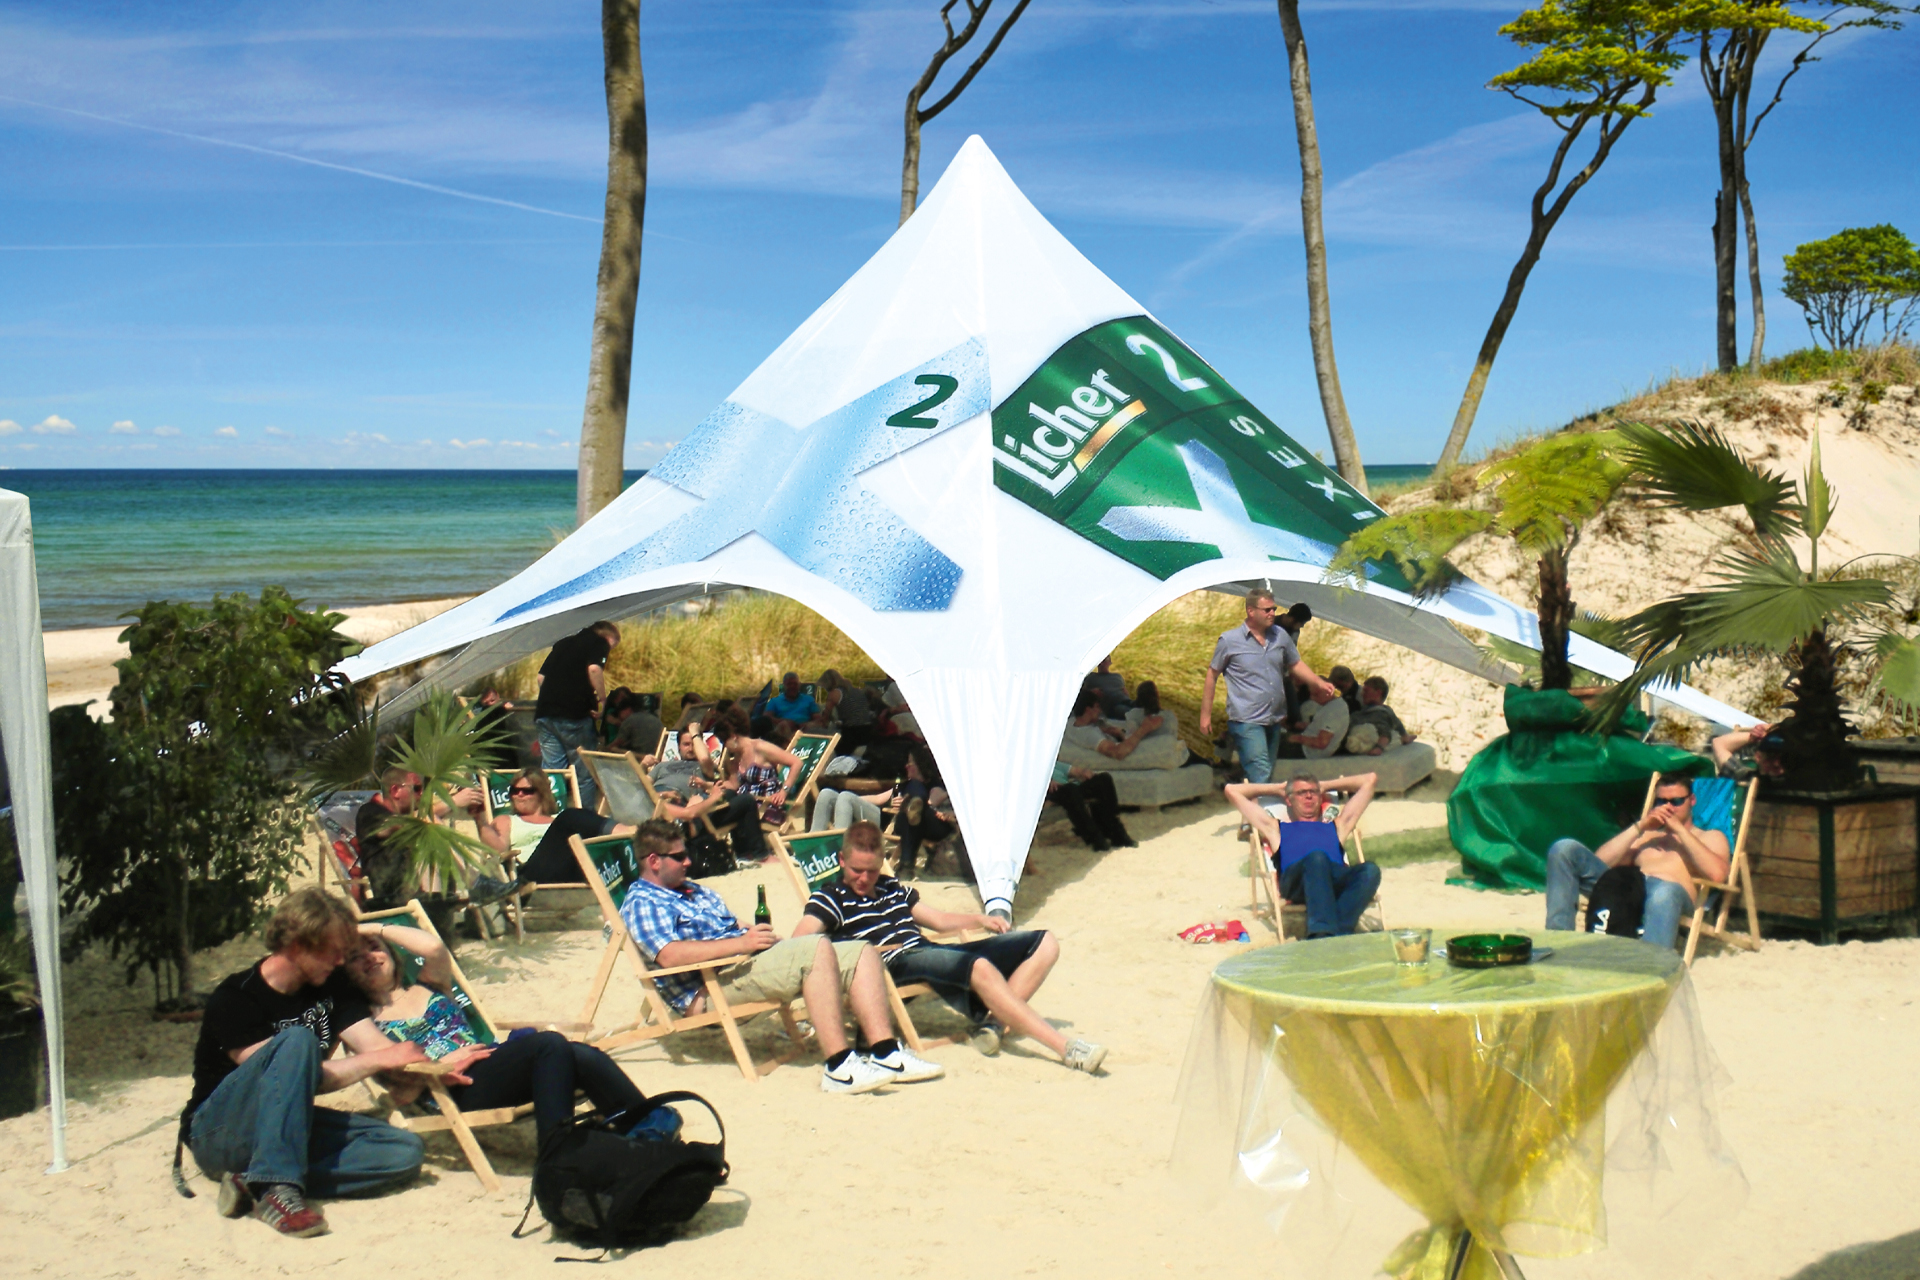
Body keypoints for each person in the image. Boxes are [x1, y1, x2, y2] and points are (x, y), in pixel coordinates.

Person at [618, 820, 943, 1093]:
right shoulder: (644, 903)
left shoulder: (694, 890)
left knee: (862, 951)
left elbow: (733, 926)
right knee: (815, 948)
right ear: (654, 860)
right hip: (708, 990)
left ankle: (884, 1052)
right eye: (678, 856)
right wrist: (742, 945)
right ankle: (839, 1068)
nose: (688, 861)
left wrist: (758, 938)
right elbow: (670, 956)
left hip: (744, 966)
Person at [182, 888, 427, 1237]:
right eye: (333, 951)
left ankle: (254, 1183)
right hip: (220, 1130)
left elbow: (375, 1046)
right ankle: (278, 1190)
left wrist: (427, 1063)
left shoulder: (332, 985)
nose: (341, 961)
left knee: (403, 1151)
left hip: (285, 1127)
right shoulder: (235, 998)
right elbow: (293, 1079)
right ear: (298, 946)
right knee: (298, 1041)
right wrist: (382, 1059)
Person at [796, 822, 1108, 1072]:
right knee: (979, 967)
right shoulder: (831, 898)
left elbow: (939, 920)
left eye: (872, 870)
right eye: (856, 870)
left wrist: (978, 919)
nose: (864, 878)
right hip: (893, 963)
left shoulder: (893, 889)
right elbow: (803, 940)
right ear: (841, 861)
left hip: (927, 952)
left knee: (1045, 943)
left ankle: (993, 1026)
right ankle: (1065, 1048)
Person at [344, 918, 659, 1145]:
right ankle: (561, 1150)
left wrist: (370, 927)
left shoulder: (429, 984)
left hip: (492, 1065)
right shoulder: (365, 1024)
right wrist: (444, 1064)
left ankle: (650, 1132)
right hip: (455, 1090)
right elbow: (401, 1088)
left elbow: (434, 947)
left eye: (373, 948)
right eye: (355, 958)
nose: (369, 958)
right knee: (550, 1045)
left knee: (581, 1054)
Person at [1544, 772, 1729, 950]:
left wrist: (1680, 831)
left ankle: (1650, 966)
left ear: (1692, 801)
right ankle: (1559, 939)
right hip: (1629, 889)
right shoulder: (1647, 835)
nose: (1669, 807)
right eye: (1662, 802)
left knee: (1663, 893)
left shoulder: (1709, 837)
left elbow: (1718, 875)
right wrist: (1639, 827)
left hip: (1670, 895)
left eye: (1677, 801)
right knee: (1564, 848)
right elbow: (1601, 862)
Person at [1202, 589, 1340, 785]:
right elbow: (1214, 672)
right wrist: (1205, 714)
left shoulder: (1285, 635)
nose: (1271, 613)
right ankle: (1258, 803)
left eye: (1273, 609)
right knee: (1260, 763)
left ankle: (1244, 788)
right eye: (1267, 610)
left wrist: (1316, 682)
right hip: (1251, 703)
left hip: (1277, 699)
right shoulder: (1241, 636)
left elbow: (1294, 662)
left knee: (1270, 756)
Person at [1226, 772, 1381, 939]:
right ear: (1288, 800)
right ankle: (1320, 932)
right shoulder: (1276, 829)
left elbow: (1370, 780)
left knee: (1370, 870)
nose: (1308, 796)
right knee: (1317, 858)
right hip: (1296, 883)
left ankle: (1338, 932)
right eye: (1301, 793)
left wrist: (1325, 786)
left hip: (1333, 878)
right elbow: (1232, 790)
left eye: (1313, 792)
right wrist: (1278, 789)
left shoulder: (1338, 826)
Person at [356, 768, 482, 910]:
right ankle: (475, 883)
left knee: (429, 824)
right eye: (416, 788)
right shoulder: (370, 812)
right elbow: (395, 826)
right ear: (395, 790)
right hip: (388, 889)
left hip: (416, 888)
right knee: (426, 824)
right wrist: (452, 802)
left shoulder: (406, 816)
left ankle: (469, 884)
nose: (421, 794)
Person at [472, 803, 637, 903]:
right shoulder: (507, 819)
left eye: (527, 790)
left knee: (578, 819)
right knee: (569, 817)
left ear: (542, 792)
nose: (519, 795)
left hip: (572, 869)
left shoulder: (556, 820)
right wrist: (480, 821)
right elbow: (499, 849)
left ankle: (631, 846)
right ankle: (628, 833)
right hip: (528, 875)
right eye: (514, 790)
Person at [534, 621, 620, 813]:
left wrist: (555, 697)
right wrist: (603, 700)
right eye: (613, 646)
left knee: (552, 772)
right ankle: (584, 817)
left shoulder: (563, 643)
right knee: (584, 771)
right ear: (608, 637)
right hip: (574, 715)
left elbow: (541, 678)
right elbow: (594, 669)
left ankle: (551, 815)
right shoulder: (599, 642)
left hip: (545, 714)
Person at [1047, 758, 1134, 852]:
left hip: (1072, 788)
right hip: (1053, 793)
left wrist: (1084, 772)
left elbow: (1076, 771)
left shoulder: (1052, 763)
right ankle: (1094, 837)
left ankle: (1114, 831)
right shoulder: (1031, 769)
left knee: (1104, 779)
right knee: (1070, 790)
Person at [1062, 687, 1165, 763]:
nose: (1100, 710)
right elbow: (1118, 753)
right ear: (1088, 710)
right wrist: (1144, 729)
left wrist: (1113, 732)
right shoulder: (1090, 735)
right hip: (1129, 747)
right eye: (1097, 707)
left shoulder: (1071, 723)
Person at [1277, 683, 1351, 760]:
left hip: (1306, 752)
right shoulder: (1332, 705)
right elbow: (1323, 728)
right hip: (1306, 745)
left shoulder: (1335, 711)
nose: (1312, 698)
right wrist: (1296, 724)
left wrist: (1298, 738)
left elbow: (1322, 743)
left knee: (1270, 740)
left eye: (1316, 695)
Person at [817, 669, 878, 751]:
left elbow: (825, 718)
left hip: (851, 733)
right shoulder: (857, 691)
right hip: (868, 731)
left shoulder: (835, 694)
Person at [1710, 722, 1786, 783]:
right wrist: (1754, 737)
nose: (1777, 763)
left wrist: (1771, 729)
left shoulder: (1796, 780)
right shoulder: (1744, 778)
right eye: (1771, 757)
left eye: (1785, 758)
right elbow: (1718, 742)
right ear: (1758, 757)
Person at [606, 687, 665, 758]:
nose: (620, 717)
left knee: (613, 749)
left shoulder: (629, 720)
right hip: (658, 754)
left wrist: (605, 748)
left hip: (643, 756)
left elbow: (616, 744)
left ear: (627, 710)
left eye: (619, 713)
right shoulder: (653, 718)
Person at [1083, 655, 1132, 719]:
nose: (1101, 663)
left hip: (1124, 700)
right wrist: (1091, 692)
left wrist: (1126, 694)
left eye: (1104, 661)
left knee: (1135, 707)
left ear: (1109, 663)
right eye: (1100, 661)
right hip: (1110, 704)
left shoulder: (1117, 676)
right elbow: (1081, 693)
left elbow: (1124, 690)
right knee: (1124, 710)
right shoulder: (1091, 677)